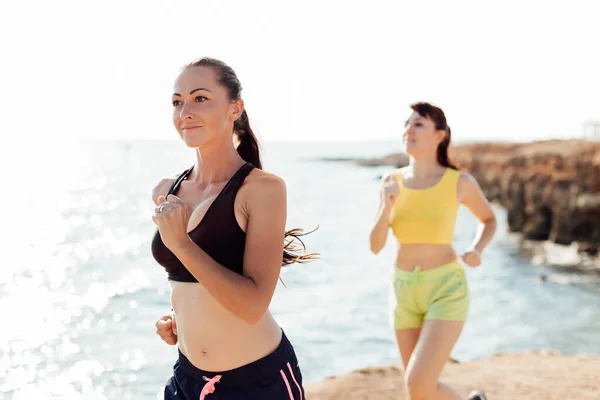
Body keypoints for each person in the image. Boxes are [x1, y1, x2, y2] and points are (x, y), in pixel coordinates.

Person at [150, 57, 316, 399]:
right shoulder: (167, 189)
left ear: (234, 108)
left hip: (256, 383)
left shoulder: (262, 189)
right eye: (177, 102)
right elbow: (192, 281)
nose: (185, 113)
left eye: (200, 98)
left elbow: (252, 305)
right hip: (187, 379)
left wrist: (181, 243)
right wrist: (180, 316)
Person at [369, 102, 497, 400]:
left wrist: (477, 248)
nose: (408, 130)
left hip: (446, 288)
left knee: (417, 381)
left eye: (419, 124)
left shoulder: (459, 182)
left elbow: (489, 219)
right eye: (407, 124)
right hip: (403, 291)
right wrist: (386, 207)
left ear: (440, 135)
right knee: (419, 392)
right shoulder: (391, 182)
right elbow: (375, 246)